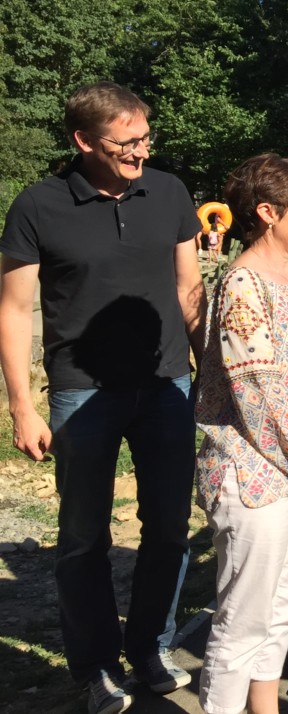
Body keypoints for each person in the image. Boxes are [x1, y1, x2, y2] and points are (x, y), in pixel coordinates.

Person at [0, 82, 205, 714]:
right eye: (127, 143)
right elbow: (13, 307)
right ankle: (92, 666)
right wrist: (21, 404)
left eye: (147, 138)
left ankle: (149, 646)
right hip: (80, 395)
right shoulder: (38, 206)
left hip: (168, 383)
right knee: (82, 537)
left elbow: (189, 286)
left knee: (169, 527)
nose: (142, 152)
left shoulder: (169, 191)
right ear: (83, 140)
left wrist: (213, 371)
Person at [194, 154, 288, 714]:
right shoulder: (242, 284)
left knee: (282, 612)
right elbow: (257, 395)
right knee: (242, 623)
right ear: (267, 212)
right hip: (253, 477)